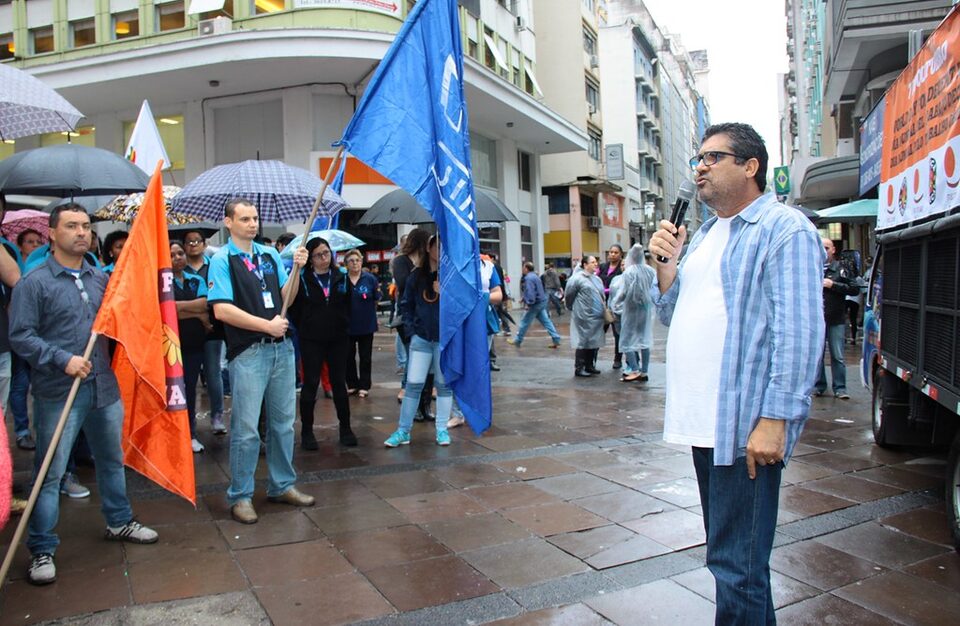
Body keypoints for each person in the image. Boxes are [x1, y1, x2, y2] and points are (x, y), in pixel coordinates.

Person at [648, 122, 823, 623]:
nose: (698, 168)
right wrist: (668, 269)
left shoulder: (782, 229)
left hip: (744, 425)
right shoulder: (705, 234)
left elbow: (799, 331)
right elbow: (672, 312)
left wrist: (777, 418)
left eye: (712, 158)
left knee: (737, 567)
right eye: (697, 159)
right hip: (706, 422)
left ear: (750, 167)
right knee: (734, 564)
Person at [9, 203, 159, 586]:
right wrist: (63, 360)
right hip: (59, 391)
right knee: (50, 472)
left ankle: (119, 521)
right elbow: (21, 336)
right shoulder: (34, 282)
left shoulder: (100, 279)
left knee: (111, 460)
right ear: (52, 233)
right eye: (72, 226)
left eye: (86, 226)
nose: (81, 233)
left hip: (103, 387)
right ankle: (42, 548)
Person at [207, 198, 315, 524]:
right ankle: (240, 495)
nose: (252, 224)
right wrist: (265, 325)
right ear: (229, 222)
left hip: (281, 349)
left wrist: (297, 269)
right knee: (246, 429)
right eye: (244, 219)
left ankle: (282, 484)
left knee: (283, 424)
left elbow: (287, 298)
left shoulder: (269, 255)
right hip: (249, 352)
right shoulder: (222, 260)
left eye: (255, 218)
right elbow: (221, 310)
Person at [385, 235, 453, 447]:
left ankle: (441, 429)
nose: (439, 251)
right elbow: (406, 305)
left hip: (443, 340)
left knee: (443, 385)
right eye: (436, 245)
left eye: (443, 247)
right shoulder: (416, 276)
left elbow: (459, 308)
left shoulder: (451, 277)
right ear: (429, 247)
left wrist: (445, 294)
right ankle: (403, 430)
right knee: (413, 385)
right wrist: (412, 331)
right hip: (421, 339)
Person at [291, 237, 357, 448]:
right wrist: (306, 325)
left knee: (339, 383)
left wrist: (344, 324)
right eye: (319, 255)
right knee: (310, 383)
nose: (324, 258)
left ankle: (345, 428)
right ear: (310, 258)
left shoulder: (341, 277)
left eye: (327, 253)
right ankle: (307, 432)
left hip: (338, 337)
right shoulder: (302, 279)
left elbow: (348, 304)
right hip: (311, 338)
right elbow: (294, 308)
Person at [181, 228, 227, 435]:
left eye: (197, 241)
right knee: (189, 377)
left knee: (212, 371)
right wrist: (194, 308)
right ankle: (188, 422)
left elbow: (211, 299)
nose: (193, 245)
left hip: (213, 328)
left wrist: (197, 307)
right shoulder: (180, 269)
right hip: (187, 329)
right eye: (189, 242)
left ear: (204, 244)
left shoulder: (213, 265)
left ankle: (217, 415)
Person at [171, 240, 212, 453]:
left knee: (189, 389)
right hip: (169, 346)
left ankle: (190, 433)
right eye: (172, 254)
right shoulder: (162, 282)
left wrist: (178, 308)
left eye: (180, 253)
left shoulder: (195, 280)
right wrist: (193, 311)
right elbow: (164, 311)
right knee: (172, 392)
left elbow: (205, 305)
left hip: (194, 344)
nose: (177, 257)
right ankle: (172, 434)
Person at [815, 238, 858, 400]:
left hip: (836, 319)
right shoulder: (813, 267)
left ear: (833, 249)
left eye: (826, 248)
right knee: (817, 356)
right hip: (818, 319)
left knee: (837, 355)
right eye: (821, 247)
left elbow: (854, 289)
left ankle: (840, 387)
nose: (823, 251)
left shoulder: (841, 268)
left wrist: (833, 285)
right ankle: (819, 386)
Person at [10, 230, 41, 450]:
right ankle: (22, 431)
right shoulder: (19, 270)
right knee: (21, 383)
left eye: (37, 242)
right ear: (20, 246)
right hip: (19, 332)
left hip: (39, 334)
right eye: (29, 242)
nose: (34, 245)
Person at [610, 245, 655, 382]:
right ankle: (644, 371)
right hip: (646, 309)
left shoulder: (629, 272)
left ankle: (634, 369)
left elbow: (622, 292)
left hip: (630, 310)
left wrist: (615, 304)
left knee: (626, 339)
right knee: (644, 340)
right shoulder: (650, 271)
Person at [343, 249, 378, 399]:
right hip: (347, 326)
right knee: (348, 357)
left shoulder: (369, 279)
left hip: (366, 325)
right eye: (351, 261)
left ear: (361, 262)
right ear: (346, 264)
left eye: (357, 260)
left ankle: (364, 385)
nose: (355, 263)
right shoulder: (342, 280)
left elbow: (375, 299)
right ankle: (352, 384)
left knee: (365, 357)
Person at [564, 255, 605, 377]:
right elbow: (569, 295)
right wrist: (572, 308)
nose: (595, 264)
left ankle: (590, 365)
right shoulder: (577, 279)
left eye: (596, 262)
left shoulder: (597, 279)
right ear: (585, 265)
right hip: (583, 316)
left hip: (596, 317)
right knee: (583, 341)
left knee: (593, 342)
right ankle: (579, 367)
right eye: (592, 262)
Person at [508, 262, 561, 349]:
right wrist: (524, 298)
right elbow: (536, 290)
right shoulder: (535, 276)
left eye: (523, 267)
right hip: (541, 302)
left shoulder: (528, 278)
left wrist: (529, 303)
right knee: (546, 322)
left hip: (535, 304)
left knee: (524, 322)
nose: (522, 269)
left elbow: (530, 291)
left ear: (526, 269)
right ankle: (556, 339)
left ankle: (518, 340)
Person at [598, 244, 624, 369]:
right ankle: (591, 359)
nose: (612, 254)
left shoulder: (622, 268)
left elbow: (621, 287)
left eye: (615, 252)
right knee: (598, 332)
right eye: (610, 252)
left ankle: (617, 359)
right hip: (602, 305)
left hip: (616, 306)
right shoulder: (602, 267)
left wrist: (605, 290)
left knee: (617, 334)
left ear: (620, 254)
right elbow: (595, 279)